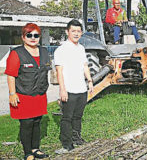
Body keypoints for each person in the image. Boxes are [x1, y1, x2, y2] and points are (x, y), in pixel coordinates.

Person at [5, 23, 51, 160]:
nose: (33, 38)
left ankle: (35, 148)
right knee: (26, 124)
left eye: (36, 35)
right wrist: (12, 93)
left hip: (40, 95)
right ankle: (28, 153)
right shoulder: (16, 53)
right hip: (23, 95)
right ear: (23, 38)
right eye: (29, 35)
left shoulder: (44, 52)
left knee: (37, 122)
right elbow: (10, 75)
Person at [54, 19, 94, 154]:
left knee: (78, 116)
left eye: (78, 31)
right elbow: (59, 71)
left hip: (81, 89)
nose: (76, 34)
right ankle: (67, 143)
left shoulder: (81, 48)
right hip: (69, 90)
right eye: (73, 31)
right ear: (67, 32)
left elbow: (85, 66)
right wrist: (62, 90)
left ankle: (77, 138)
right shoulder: (61, 49)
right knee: (67, 118)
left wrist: (90, 81)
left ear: (81, 33)